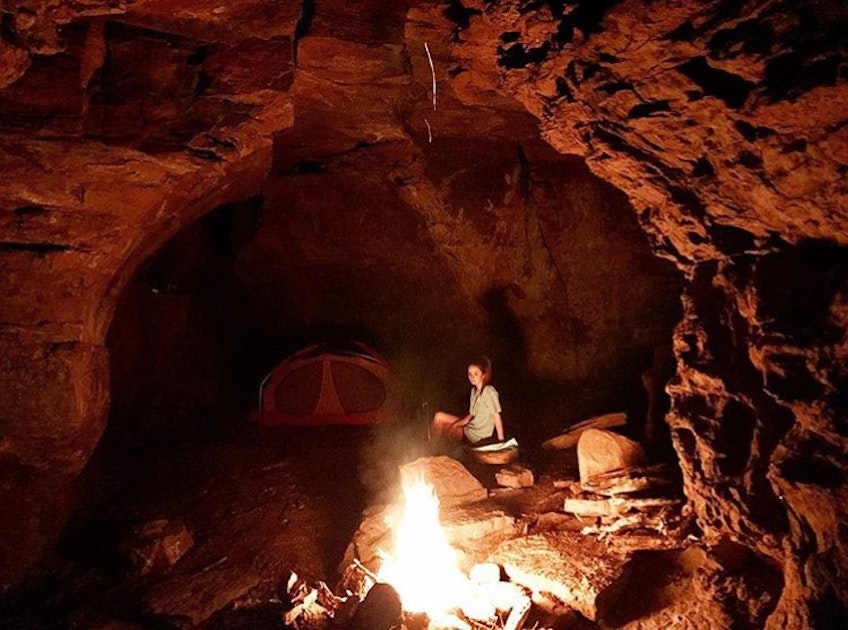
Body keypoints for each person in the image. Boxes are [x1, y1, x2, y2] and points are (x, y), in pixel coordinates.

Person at [432, 355, 505, 447]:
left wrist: (501, 441)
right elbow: (471, 415)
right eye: (470, 374)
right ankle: (432, 447)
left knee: (445, 426)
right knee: (440, 418)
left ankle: (434, 449)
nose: (472, 377)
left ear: (484, 375)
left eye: (476, 374)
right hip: (469, 428)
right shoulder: (474, 391)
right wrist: (456, 424)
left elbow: (496, 416)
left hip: (477, 436)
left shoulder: (488, 392)